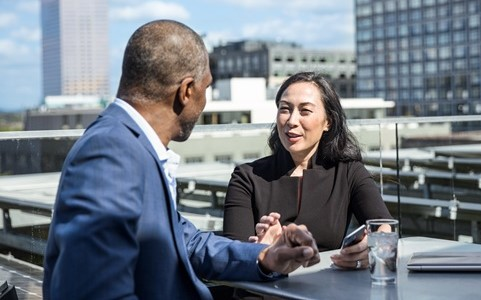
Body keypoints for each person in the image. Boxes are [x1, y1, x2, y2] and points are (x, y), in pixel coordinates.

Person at [42, 20, 320, 300]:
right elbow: (92, 291)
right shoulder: (111, 152)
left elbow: (187, 242)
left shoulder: (131, 146)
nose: (205, 101)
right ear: (186, 91)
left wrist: (266, 256)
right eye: (206, 88)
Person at [223, 71, 393, 270]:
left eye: (305, 111)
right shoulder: (247, 177)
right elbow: (231, 257)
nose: (292, 120)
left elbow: (384, 225)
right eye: (285, 109)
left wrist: (371, 250)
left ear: (328, 121)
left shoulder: (348, 172)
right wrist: (262, 250)